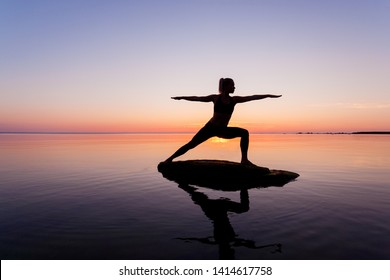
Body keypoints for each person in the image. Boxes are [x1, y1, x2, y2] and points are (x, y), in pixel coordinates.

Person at [165, 78, 281, 165]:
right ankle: (169, 159)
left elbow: (253, 97)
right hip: (210, 128)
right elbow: (197, 98)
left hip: (222, 130)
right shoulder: (215, 98)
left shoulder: (234, 100)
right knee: (191, 144)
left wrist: (268, 95)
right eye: (233, 85)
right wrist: (182, 97)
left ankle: (244, 160)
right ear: (226, 87)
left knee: (244, 133)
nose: (235, 88)